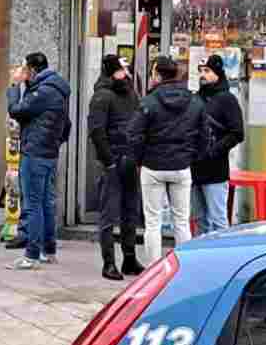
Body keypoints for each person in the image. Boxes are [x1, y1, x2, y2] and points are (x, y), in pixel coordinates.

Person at [128, 55, 205, 262]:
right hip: (181, 166)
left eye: (153, 72)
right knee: (181, 221)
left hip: (152, 166)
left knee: (153, 222)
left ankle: (154, 271)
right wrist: (191, 157)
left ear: (158, 75)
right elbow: (204, 135)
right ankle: (185, 269)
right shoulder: (194, 101)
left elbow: (134, 135)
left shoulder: (149, 102)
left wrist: (139, 160)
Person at [7, 52, 71, 271]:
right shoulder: (58, 89)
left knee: (33, 204)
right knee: (46, 203)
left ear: (32, 69)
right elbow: (67, 125)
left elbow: (16, 110)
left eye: (24, 68)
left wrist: (15, 87)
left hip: (35, 153)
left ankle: (31, 254)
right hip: (49, 153)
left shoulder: (43, 91)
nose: (22, 72)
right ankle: (48, 250)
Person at [88, 54, 144, 281]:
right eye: (122, 70)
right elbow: (97, 132)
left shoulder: (131, 93)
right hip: (111, 162)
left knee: (131, 211)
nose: (126, 73)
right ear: (113, 72)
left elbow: (139, 123)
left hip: (130, 160)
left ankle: (129, 258)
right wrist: (109, 161)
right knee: (109, 215)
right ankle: (108, 262)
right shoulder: (102, 96)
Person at [191, 54, 244, 236]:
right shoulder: (195, 98)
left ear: (217, 73)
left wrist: (214, 151)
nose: (203, 75)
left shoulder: (227, 99)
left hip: (215, 171)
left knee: (218, 219)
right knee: (199, 220)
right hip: (194, 168)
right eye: (201, 71)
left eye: (207, 71)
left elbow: (238, 133)